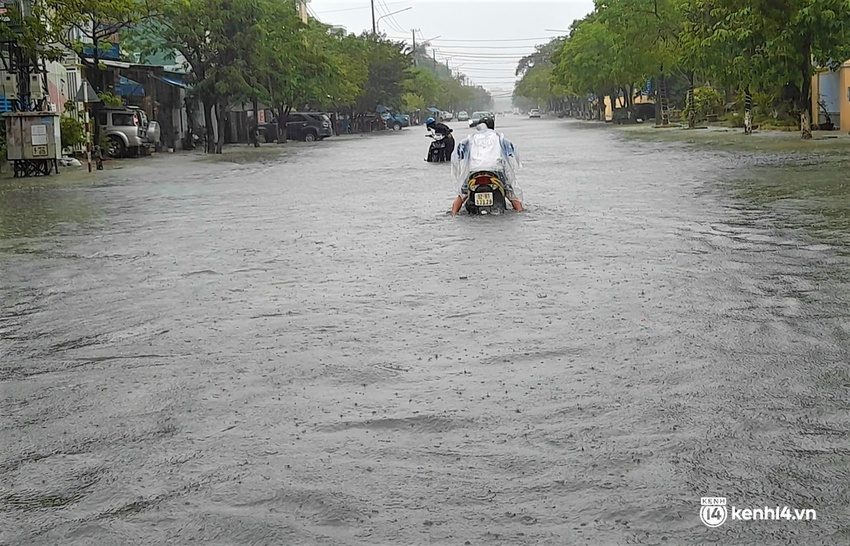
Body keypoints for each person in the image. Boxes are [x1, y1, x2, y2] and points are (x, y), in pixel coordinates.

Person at [450, 115, 524, 215]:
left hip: (474, 172)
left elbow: (457, 154)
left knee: (462, 195)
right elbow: (512, 153)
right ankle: (521, 214)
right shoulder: (499, 137)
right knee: (511, 195)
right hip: (496, 171)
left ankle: (453, 214)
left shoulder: (471, 139)